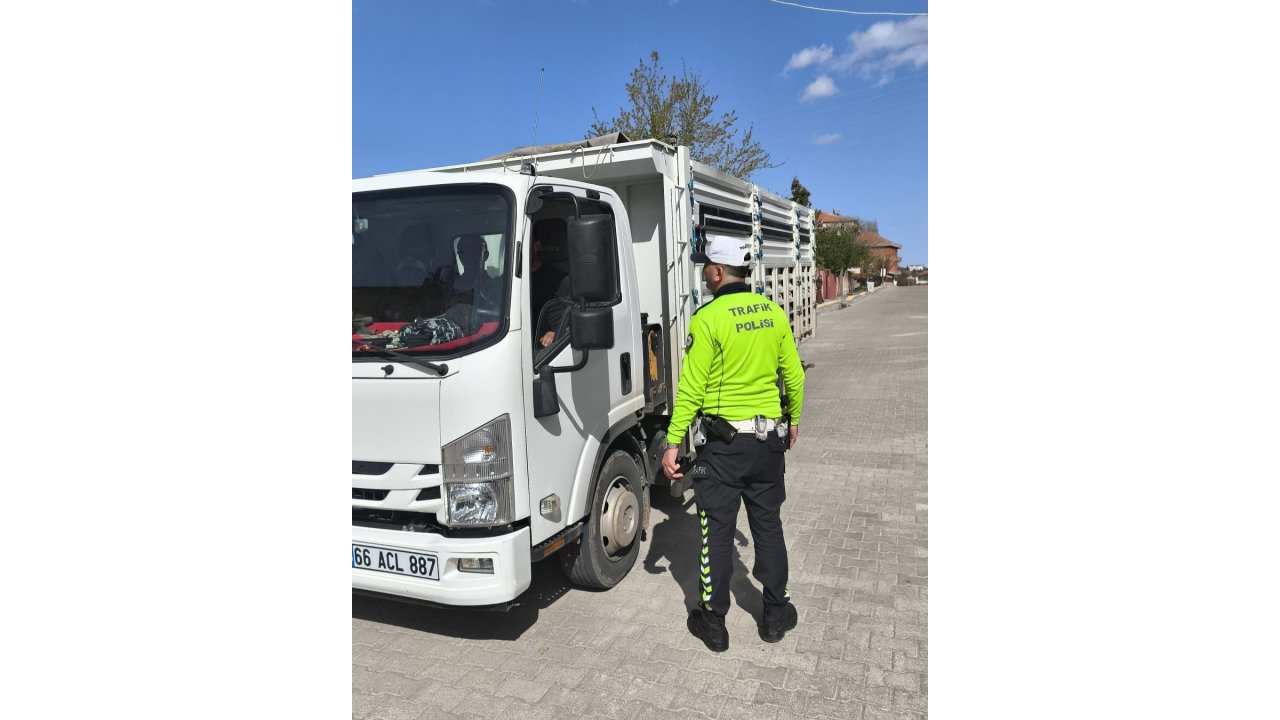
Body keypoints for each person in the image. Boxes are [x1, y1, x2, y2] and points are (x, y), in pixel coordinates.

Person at [661, 234, 806, 653]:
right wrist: (793, 421)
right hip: (768, 444)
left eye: (706, 265)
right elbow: (794, 376)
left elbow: (691, 389)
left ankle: (713, 624)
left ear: (718, 272)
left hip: (724, 450)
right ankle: (775, 615)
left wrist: (672, 442)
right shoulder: (773, 312)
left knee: (717, 534)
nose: (704, 271)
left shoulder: (707, 318)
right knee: (769, 527)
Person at [529, 220, 573, 348]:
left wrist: (558, 332)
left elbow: (581, 319)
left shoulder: (561, 280)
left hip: (548, 352)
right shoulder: (510, 284)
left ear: (537, 246)